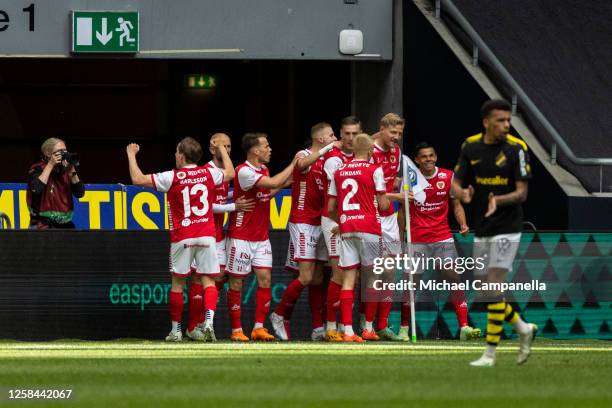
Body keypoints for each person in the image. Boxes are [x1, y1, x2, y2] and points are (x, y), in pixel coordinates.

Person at [452, 99, 537, 366]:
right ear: (486, 122)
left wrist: (497, 201)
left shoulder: (517, 149)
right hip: (483, 227)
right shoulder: (470, 146)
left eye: (508, 120)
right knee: (487, 291)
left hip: (508, 226)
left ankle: (490, 354)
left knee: (494, 285)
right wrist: (462, 193)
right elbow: (455, 183)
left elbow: (522, 193)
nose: (506, 125)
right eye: (500, 120)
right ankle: (523, 328)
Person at [126, 137, 234, 342]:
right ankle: (209, 323)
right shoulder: (208, 172)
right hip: (206, 235)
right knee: (208, 280)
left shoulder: (172, 176)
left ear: (182, 156)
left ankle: (176, 331)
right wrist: (221, 148)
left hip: (182, 236)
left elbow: (138, 180)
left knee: (177, 283)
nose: (175, 155)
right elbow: (230, 173)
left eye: (176, 152)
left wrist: (131, 155)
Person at [397, 142, 481, 341]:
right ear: (417, 160)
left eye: (431, 155)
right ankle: (403, 329)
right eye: (424, 156)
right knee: (411, 283)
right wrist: (401, 239)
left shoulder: (447, 176)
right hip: (417, 239)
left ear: (435, 156)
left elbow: (456, 204)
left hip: (442, 236)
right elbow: (402, 211)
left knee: (453, 276)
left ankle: (464, 327)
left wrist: (462, 224)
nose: (428, 159)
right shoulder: (410, 179)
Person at [225, 133, 296, 341]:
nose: (270, 149)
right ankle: (236, 330)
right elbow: (273, 181)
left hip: (261, 237)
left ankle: (258, 328)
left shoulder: (263, 169)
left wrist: (283, 184)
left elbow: (266, 193)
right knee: (237, 284)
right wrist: (294, 164)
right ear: (255, 151)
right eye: (266, 146)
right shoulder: (244, 171)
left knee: (265, 280)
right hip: (241, 236)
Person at [270, 123, 337, 341]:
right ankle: (278, 314)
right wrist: (327, 149)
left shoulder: (330, 160)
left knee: (317, 277)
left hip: (322, 222)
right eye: (331, 135)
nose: (334, 138)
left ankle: (317, 328)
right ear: (320, 139)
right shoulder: (305, 154)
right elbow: (300, 165)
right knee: (306, 276)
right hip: (303, 221)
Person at [186, 133, 254, 340]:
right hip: (204, 233)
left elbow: (222, 196)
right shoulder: (206, 171)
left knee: (218, 276)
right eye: (222, 146)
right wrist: (234, 206)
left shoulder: (222, 173)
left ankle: (205, 323)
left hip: (218, 234)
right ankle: (193, 326)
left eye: (229, 146)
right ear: (212, 147)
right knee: (201, 277)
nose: (226, 150)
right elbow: (206, 206)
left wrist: (238, 197)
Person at [328, 133, 390, 342]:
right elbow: (383, 204)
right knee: (373, 278)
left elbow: (330, 208)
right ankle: (368, 328)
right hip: (369, 228)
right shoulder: (375, 169)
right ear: (371, 151)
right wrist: (387, 202)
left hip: (347, 227)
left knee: (348, 279)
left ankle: (347, 332)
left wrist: (344, 221)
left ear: (353, 150)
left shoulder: (339, 171)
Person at [366, 113, 405, 341]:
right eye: (393, 133)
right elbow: (366, 186)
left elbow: (391, 180)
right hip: (371, 215)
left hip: (389, 217)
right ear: (381, 129)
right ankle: (367, 324)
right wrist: (395, 193)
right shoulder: (369, 150)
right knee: (372, 272)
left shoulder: (397, 152)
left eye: (399, 133)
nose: (396, 137)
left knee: (389, 272)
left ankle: (382, 325)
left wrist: (400, 186)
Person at [320, 116, 358, 341]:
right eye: (347, 134)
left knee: (353, 272)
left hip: (354, 219)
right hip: (333, 219)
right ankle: (331, 325)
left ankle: (347, 326)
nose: (351, 138)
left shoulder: (363, 157)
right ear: (340, 135)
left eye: (355, 134)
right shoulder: (333, 160)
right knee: (339, 272)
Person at [27, 138, 84, 229]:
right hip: (41, 224)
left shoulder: (66, 170)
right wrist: (50, 165)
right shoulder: (37, 169)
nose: (64, 154)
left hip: (65, 225)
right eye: (60, 151)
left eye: (65, 151)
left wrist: (72, 172)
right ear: (48, 154)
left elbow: (80, 193)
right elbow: (36, 189)